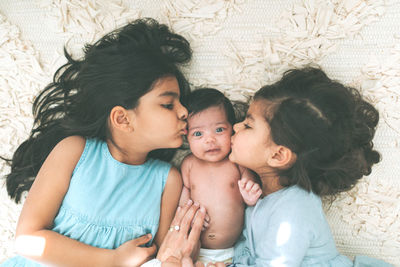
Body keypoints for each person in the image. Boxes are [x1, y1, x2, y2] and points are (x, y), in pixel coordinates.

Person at [1, 18, 192, 266]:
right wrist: (111, 260)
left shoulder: (168, 180)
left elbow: (161, 257)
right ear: (122, 118)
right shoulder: (75, 151)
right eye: (168, 104)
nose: (185, 111)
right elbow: (27, 239)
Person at [160, 67, 392, 267]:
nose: (236, 127)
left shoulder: (294, 210)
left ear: (278, 155)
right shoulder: (264, 195)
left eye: (248, 125)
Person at [179, 88, 262, 265]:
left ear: (232, 129)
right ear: (187, 137)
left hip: (235, 251)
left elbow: (251, 185)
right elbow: (183, 199)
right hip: (193, 249)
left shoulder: (236, 161)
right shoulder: (189, 164)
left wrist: (251, 196)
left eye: (219, 130)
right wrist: (189, 215)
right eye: (198, 134)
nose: (210, 140)